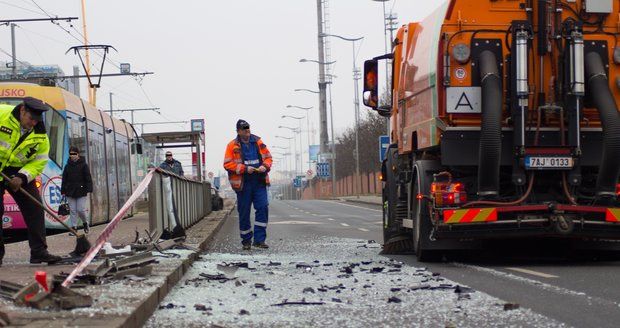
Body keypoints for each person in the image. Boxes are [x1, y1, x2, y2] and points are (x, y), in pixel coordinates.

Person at [0, 97, 62, 266]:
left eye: (37, 120)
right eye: (30, 119)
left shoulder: (41, 136)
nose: (33, 123)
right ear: (22, 111)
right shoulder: (2, 114)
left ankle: (39, 252)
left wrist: (22, 177)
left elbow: (39, 161)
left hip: (17, 171)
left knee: (34, 208)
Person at [223, 119, 273, 250]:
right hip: (243, 184)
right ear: (238, 131)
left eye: (248, 128)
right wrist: (245, 168)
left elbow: (268, 157)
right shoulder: (232, 146)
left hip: (259, 181)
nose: (247, 130)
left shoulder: (258, 141)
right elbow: (227, 164)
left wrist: (264, 166)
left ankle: (259, 240)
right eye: (244, 128)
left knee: (262, 208)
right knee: (244, 212)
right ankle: (246, 241)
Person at [61, 146, 93, 234]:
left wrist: (89, 189)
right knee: (72, 210)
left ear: (78, 154)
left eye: (74, 153)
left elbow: (88, 178)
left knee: (80, 209)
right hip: (70, 191)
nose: (72, 155)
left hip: (81, 191)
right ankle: (74, 228)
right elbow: (64, 179)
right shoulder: (67, 166)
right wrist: (63, 191)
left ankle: (85, 223)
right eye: (71, 154)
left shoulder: (84, 165)